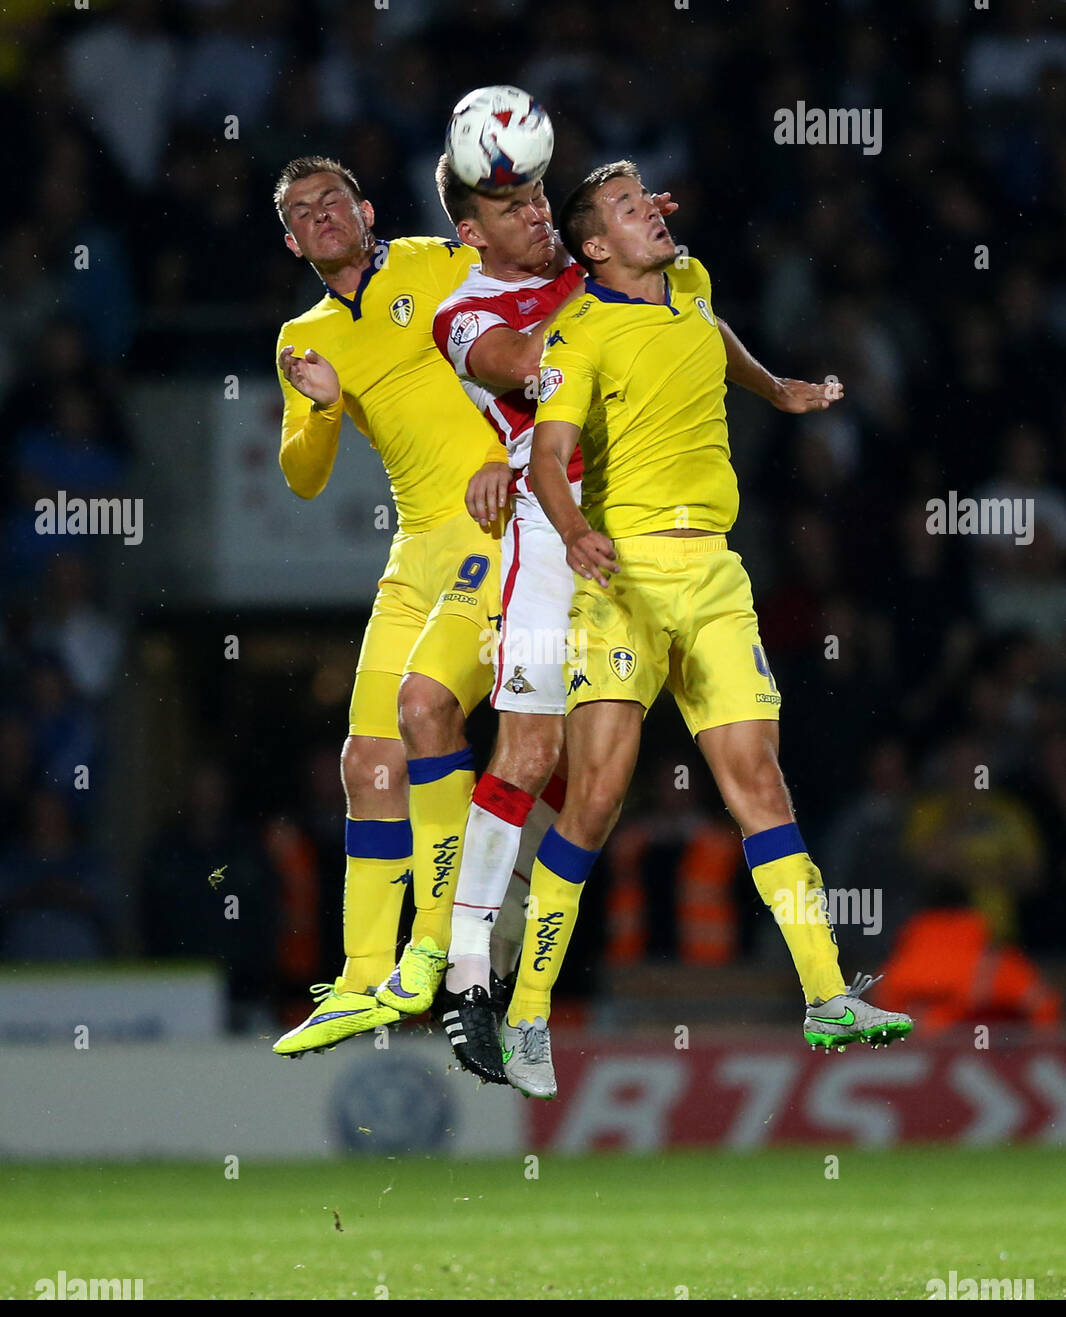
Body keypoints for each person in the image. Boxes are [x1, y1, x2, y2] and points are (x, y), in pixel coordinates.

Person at [511, 161, 913, 1096]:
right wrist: (576, 537)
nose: (648, 208)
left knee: (758, 778)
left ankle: (825, 996)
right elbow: (548, 458)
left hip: (717, 574)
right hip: (625, 574)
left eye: (646, 195)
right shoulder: (581, 331)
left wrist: (777, 391)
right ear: (594, 247)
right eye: (623, 206)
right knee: (598, 796)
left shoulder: (685, 282)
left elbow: (710, 330)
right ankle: (526, 1013)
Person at [428, 155, 677, 1083]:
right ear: (472, 232)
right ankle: (467, 981)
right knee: (527, 754)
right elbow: (536, 364)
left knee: (599, 791)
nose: (534, 213)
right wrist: (624, 272)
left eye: (538, 197)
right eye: (510, 205)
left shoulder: (590, 272)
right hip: (546, 527)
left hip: (636, 529)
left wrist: (642, 256)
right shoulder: (467, 316)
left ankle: (513, 974)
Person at [270, 155, 516, 1056]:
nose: (322, 215)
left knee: (425, 709)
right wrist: (324, 407)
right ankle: (362, 979)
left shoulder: (440, 261)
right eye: (303, 210)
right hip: (414, 553)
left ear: (366, 210)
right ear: (291, 240)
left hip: (495, 531)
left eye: (334, 198)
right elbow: (302, 477)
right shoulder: (304, 337)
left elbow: (533, 300)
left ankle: (443, 950)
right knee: (365, 761)